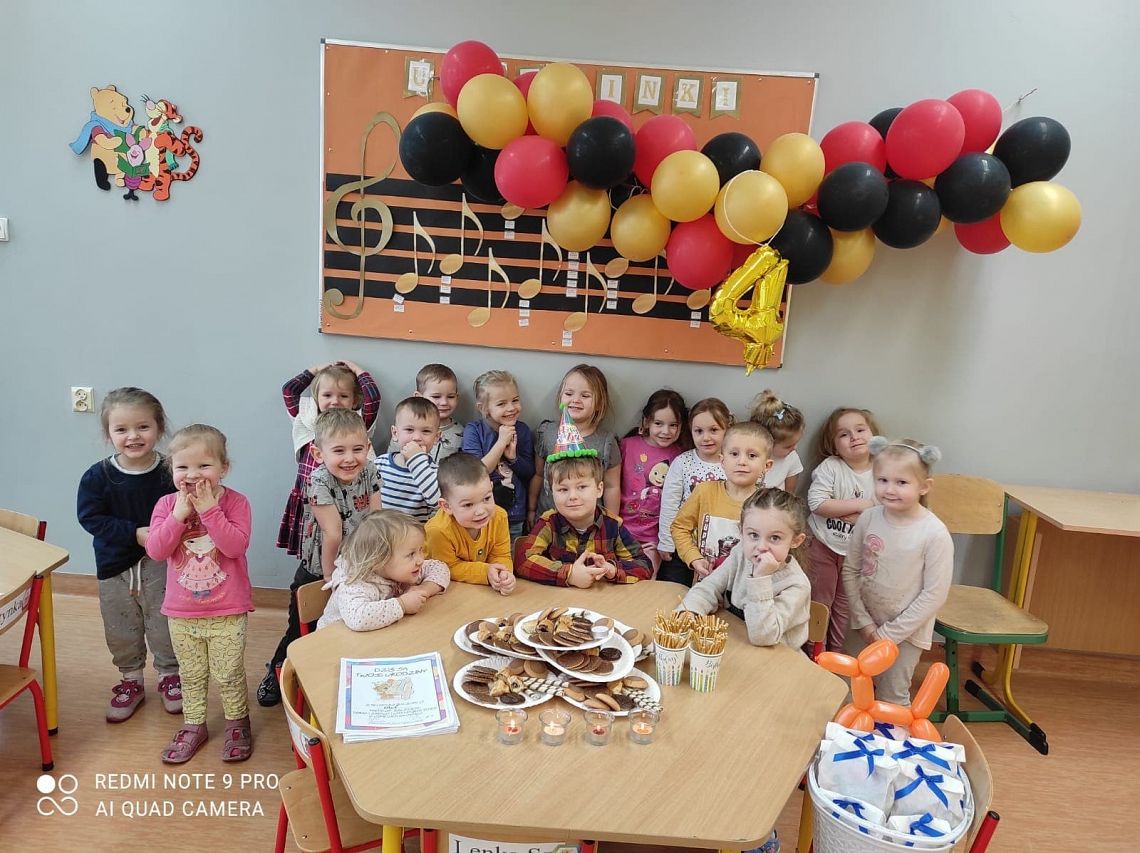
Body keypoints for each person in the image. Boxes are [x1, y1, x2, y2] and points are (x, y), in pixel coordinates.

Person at [259, 409, 381, 706]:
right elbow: (333, 533)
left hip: (358, 564)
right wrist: (329, 576)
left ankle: (332, 684)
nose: (349, 458)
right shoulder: (319, 480)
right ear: (318, 453)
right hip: (321, 568)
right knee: (301, 629)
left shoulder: (370, 470)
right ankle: (276, 673)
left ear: (367, 448)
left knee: (343, 625)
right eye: (339, 451)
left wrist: (375, 560)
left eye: (357, 449)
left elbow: (376, 518)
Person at [146, 425, 253, 764]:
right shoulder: (166, 505)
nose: (193, 475)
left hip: (228, 609)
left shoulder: (236, 503)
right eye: (183, 467)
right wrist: (178, 516)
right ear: (171, 470)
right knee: (190, 674)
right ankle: (194, 724)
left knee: (229, 672)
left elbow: (234, 547)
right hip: (181, 612)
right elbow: (156, 550)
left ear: (224, 468)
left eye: (204, 466)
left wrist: (209, 510)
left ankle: (237, 722)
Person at [77, 387, 182, 722]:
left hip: (161, 563)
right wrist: (133, 533)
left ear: (159, 428)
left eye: (143, 427)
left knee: (164, 621)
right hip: (114, 566)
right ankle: (131, 680)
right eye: (121, 429)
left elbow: (184, 511)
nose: (133, 436)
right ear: (108, 434)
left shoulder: (171, 471)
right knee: (121, 625)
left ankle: (170, 675)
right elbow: (91, 518)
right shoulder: (98, 476)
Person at [843, 437, 953, 706]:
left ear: (924, 486)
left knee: (891, 698)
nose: (889, 489)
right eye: (882, 480)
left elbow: (934, 594)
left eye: (901, 482)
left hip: (905, 635)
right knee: (848, 690)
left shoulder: (934, 533)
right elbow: (851, 570)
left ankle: (890, 735)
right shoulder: (868, 518)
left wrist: (887, 635)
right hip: (862, 625)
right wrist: (864, 623)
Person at [516, 408, 651, 587]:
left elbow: (643, 565)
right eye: (563, 489)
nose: (573, 496)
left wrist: (612, 569)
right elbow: (523, 561)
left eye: (581, 487)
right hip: (559, 599)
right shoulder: (549, 523)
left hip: (602, 599)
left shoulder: (612, 525)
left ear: (599, 489)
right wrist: (569, 574)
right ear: (551, 491)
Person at [681, 487, 811, 649]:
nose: (761, 547)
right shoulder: (741, 553)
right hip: (736, 643)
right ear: (741, 532)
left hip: (773, 657)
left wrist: (760, 579)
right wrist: (689, 612)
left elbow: (763, 637)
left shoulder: (797, 585)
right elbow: (710, 586)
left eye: (775, 538)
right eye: (754, 535)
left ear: (796, 541)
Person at [277, 360, 380, 556]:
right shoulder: (307, 419)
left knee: (343, 542)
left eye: (343, 396)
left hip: (347, 499)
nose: (335, 401)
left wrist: (356, 370)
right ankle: (312, 572)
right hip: (311, 498)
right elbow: (289, 391)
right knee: (313, 544)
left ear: (354, 400)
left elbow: (373, 398)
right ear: (317, 397)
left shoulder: (356, 424)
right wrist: (316, 370)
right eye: (327, 395)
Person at [806, 406, 880, 652]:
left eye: (860, 430)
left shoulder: (882, 470)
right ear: (834, 445)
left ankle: (834, 654)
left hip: (857, 554)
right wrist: (861, 505)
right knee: (820, 603)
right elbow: (817, 503)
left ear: (874, 436)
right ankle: (815, 654)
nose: (854, 437)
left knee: (844, 606)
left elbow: (885, 514)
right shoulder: (831, 466)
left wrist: (844, 510)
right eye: (844, 434)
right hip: (823, 547)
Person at [670, 421, 773, 587]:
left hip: (748, 591)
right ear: (722, 461)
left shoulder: (770, 504)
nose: (742, 461)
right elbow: (679, 527)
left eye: (752, 456)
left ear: (766, 466)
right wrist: (694, 558)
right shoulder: (704, 492)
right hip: (705, 586)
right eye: (734, 454)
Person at [318, 511, 449, 631]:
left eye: (420, 550)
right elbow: (359, 618)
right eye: (411, 554)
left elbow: (440, 568)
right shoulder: (354, 584)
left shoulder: (403, 569)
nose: (420, 560)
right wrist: (403, 605)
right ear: (379, 560)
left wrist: (423, 590)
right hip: (332, 644)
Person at [529, 364, 621, 525]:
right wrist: (530, 509)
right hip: (548, 522)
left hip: (589, 524)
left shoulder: (606, 443)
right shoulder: (547, 433)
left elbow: (611, 486)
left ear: (599, 403)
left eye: (585, 395)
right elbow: (538, 475)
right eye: (569, 393)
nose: (575, 400)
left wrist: (611, 523)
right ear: (560, 397)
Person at [656, 398, 731, 585]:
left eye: (714, 430)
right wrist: (666, 541)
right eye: (699, 431)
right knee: (674, 590)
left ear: (727, 429)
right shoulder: (683, 462)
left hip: (719, 549)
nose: (706, 437)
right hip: (683, 544)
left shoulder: (732, 464)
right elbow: (670, 503)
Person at [619, 389, 688, 575]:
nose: (666, 431)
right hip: (622, 533)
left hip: (655, 539)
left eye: (673, 425)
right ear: (646, 421)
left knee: (645, 579)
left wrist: (664, 541)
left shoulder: (681, 456)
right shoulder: (627, 445)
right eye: (658, 423)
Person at [425, 453, 515, 593]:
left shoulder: (499, 517)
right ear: (446, 506)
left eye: (487, 498)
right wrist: (486, 572)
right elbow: (447, 567)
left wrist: (503, 573)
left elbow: (501, 555)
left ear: (491, 488)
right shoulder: (437, 531)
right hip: (445, 593)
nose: (480, 511)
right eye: (468, 505)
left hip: (480, 592)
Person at [461, 370, 534, 540]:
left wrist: (513, 459)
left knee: (509, 553)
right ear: (483, 408)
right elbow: (475, 473)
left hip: (514, 515)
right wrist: (501, 443)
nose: (511, 408)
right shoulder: (473, 431)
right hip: (481, 514)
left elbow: (529, 472)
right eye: (501, 404)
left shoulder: (522, 430)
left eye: (515, 400)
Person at [378, 397, 442, 522]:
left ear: (436, 437)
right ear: (395, 433)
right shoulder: (380, 464)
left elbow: (436, 502)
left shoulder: (435, 472)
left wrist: (416, 460)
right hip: (381, 530)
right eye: (409, 430)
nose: (417, 437)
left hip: (414, 533)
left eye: (426, 431)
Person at [386, 363, 465, 461]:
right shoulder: (404, 429)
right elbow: (390, 461)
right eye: (436, 396)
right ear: (419, 397)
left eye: (451, 396)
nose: (444, 402)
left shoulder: (461, 432)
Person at [750, 390, 806, 492]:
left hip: (776, 501)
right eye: (788, 446)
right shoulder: (747, 458)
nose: (794, 448)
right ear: (767, 443)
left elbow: (789, 494)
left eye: (796, 443)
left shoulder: (791, 458)